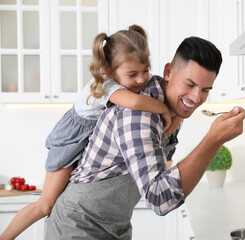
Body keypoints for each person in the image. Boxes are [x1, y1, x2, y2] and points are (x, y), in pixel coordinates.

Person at [44, 36, 245, 240]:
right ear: (168, 72)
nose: (196, 98)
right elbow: (160, 199)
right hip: (77, 227)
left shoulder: (173, 105)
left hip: (115, 226)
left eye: (205, 90)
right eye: (190, 84)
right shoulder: (138, 115)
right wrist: (214, 139)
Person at [0, 25, 182, 240]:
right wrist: (167, 111)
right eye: (132, 74)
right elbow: (134, 102)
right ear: (109, 71)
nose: (142, 79)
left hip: (84, 142)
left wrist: (178, 113)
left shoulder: (127, 81)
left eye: (145, 70)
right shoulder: (106, 85)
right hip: (69, 143)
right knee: (45, 204)